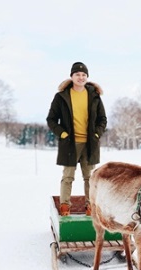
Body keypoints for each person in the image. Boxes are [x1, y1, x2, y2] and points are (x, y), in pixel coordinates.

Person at [46, 62, 106, 216]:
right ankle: (65, 207)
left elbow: (102, 119)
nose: (81, 77)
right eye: (77, 74)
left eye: (83, 75)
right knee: (68, 177)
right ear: (72, 76)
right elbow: (51, 120)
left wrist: (97, 134)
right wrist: (63, 134)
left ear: (87, 77)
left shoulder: (94, 96)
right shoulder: (61, 97)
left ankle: (90, 206)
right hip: (70, 144)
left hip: (89, 144)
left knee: (90, 178)